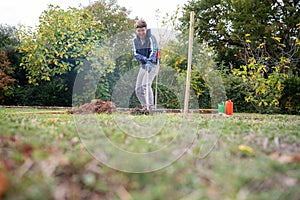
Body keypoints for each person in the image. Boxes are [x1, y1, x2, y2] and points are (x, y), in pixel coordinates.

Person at [132, 19, 158, 113]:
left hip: (153, 64)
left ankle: (151, 108)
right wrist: (144, 59)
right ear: (136, 31)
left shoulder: (151, 38)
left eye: (143, 30)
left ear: (146, 29)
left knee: (146, 85)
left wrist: (150, 61)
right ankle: (145, 107)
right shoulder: (135, 41)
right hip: (143, 65)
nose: (141, 32)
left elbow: (154, 50)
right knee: (138, 89)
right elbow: (135, 53)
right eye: (139, 31)